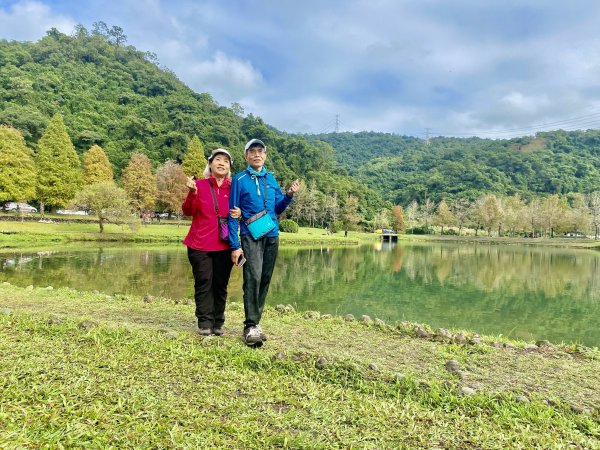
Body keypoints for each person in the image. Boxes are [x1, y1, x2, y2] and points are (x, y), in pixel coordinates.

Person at [229, 139, 300, 347]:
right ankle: (250, 326)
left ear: (265, 156)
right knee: (253, 277)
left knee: (265, 278)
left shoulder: (271, 179)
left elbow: (278, 209)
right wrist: (235, 245)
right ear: (246, 156)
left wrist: (289, 195)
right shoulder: (239, 180)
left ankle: (256, 323)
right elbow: (232, 214)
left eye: (260, 152)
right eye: (252, 152)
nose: (257, 155)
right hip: (250, 235)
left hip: (271, 235)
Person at [182, 148, 240, 336]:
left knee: (220, 284)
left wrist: (241, 213)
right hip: (199, 244)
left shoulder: (234, 188)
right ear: (210, 164)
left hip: (224, 245)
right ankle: (204, 322)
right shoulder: (199, 185)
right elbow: (187, 211)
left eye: (225, 160)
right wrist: (192, 193)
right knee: (203, 282)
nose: (221, 163)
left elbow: (244, 210)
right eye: (217, 159)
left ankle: (218, 322)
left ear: (230, 166)